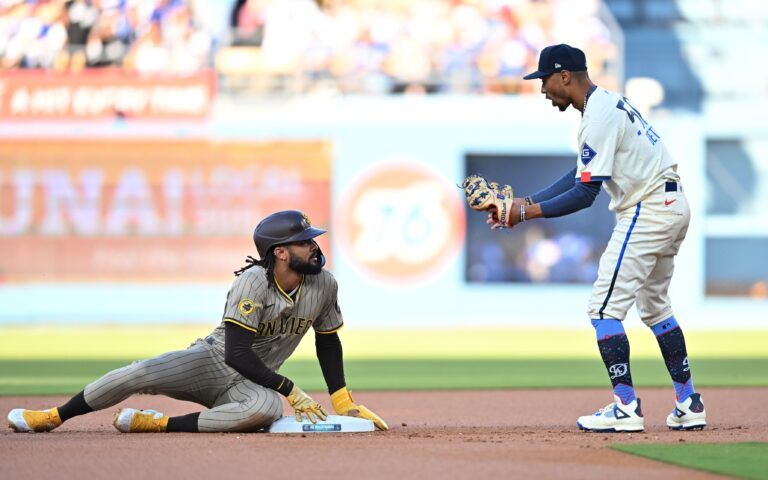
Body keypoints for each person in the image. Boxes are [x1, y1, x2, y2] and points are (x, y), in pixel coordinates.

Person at [7, 210, 388, 433]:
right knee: (140, 373)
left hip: (251, 382)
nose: (315, 247)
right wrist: (290, 387)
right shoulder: (252, 281)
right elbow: (237, 352)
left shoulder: (324, 284)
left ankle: (157, 425)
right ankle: (53, 416)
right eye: (306, 242)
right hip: (211, 362)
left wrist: (342, 399)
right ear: (282, 253)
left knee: (266, 410)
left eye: (313, 239)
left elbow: (327, 340)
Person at [489, 44, 705, 432]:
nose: (542, 89)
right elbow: (579, 176)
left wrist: (523, 213)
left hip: (648, 208)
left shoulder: (598, 117)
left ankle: (626, 408)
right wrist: (525, 202)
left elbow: (585, 196)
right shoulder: (606, 104)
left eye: (545, 80)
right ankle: (688, 402)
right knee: (655, 308)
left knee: (603, 310)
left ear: (565, 76)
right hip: (672, 204)